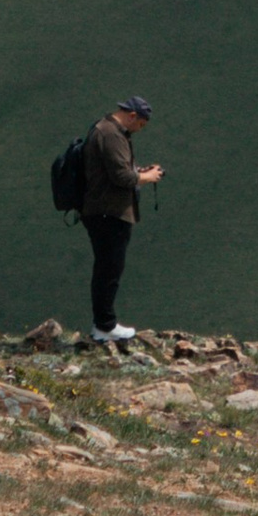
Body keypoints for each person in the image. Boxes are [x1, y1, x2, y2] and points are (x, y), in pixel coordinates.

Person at [78, 94, 164, 347]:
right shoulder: (112, 134)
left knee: (108, 267)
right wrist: (147, 178)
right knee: (109, 269)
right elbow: (121, 178)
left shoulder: (104, 129)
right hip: (108, 212)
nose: (139, 130)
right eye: (140, 124)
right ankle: (104, 326)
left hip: (104, 211)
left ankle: (103, 324)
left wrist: (139, 172)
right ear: (132, 115)